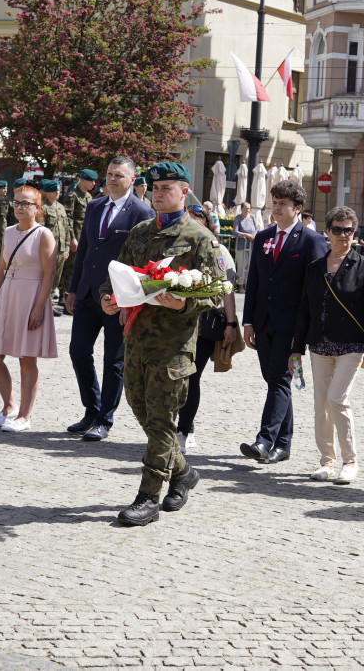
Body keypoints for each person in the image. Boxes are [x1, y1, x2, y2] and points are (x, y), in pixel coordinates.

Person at [99, 162, 225, 526]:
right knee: (143, 412)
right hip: (136, 339)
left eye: (167, 187)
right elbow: (117, 273)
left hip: (174, 346)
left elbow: (217, 290)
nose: (158, 193)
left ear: (185, 191)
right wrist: (108, 298)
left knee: (162, 419)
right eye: (154, 188)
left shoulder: (200, 237)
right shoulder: (139, 232)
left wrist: (187, 301)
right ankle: (184, 472)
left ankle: (148, 498)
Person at [66, 157, 155, 442]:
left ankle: (105, 419)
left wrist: (132, 300)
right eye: (109, 174)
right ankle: (91, 409)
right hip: (88, 293)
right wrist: (72, 289)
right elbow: (84, 251)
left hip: (119, 299)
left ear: (132, 179)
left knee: (114, 361)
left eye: (119, 175)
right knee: (78, 351)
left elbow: (144, 262)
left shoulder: (142, 212)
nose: (112, 179)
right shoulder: (94, 206)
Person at [241, 179, 328, 464]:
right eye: (274, 202)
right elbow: (253, 281)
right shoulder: (264, 237)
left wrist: (303, 333)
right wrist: (249, 321)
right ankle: (284, 444)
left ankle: (265, 441)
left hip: (291, 326)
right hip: (264, 322)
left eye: (283, 204)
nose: (276, 208)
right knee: (274, 381)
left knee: (279, 379)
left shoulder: (311, 240)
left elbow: (314, 291)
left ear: (298, 208)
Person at [292, 206, 364, 484]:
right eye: (338, 230)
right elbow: (304, 308)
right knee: (321, 403)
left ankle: (350, 460)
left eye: (349, 230)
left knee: (336, 398)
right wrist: (297, 347)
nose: (344, 235)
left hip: (351, 345)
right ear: (327, 232)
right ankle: (326, 461)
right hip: (319, 343)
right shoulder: (315, 268)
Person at [0, 184, 58, 433]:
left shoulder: (44, 234)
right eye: (17, 202)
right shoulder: (8, 232)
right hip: (6, 294)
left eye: (26, 203)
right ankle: (8, 406)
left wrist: (39, 307)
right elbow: (1, 268)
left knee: (26, 357)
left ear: (37, 207)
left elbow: (49, 273)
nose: (20, 207)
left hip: (31, 296)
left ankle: (24, 415)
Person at [175, 205, 239, 453]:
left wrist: (231, 324)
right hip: (176, 321)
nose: (192, 226)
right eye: (188, 221)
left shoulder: (218, 249)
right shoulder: (177, 246)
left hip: (203, 324)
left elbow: (228, 289)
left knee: (191, 376)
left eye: (197, 221)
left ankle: (185, 428)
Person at [59, 169, 96, 306]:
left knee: (80, 266)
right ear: (82, 180)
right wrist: (73, 238)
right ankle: (64, 295)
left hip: (84, 237)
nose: (93, 183)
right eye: (91, 181)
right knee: (71, 267)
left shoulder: (88, 197)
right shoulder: (72, 195)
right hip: (74, 237)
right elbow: (68, 218)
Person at [39, 180, 69, 317]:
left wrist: (67, 247)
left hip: (61, 249)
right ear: (48, 192)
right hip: (49, 251)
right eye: (54, 190)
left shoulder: (61, 207)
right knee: (47, 277)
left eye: (58, 190)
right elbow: (40, 231)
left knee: (56, 278)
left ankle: (50, 303)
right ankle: (46, 304)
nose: (58, 192)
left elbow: (66, 228)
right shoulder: (42, 208)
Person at [233, 201, 258, 293]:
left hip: (251, 245)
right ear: (242, 209)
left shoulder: (252, 217)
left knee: (249, 266)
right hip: (241, 245)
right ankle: (240, 286)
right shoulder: (238, 218)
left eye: (249, 208)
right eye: (246, 208)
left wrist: (254, 234)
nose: (247, 210)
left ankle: (247, 284)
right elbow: (235, 232)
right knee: (241, 265)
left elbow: (256, 228)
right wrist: (246, 235)